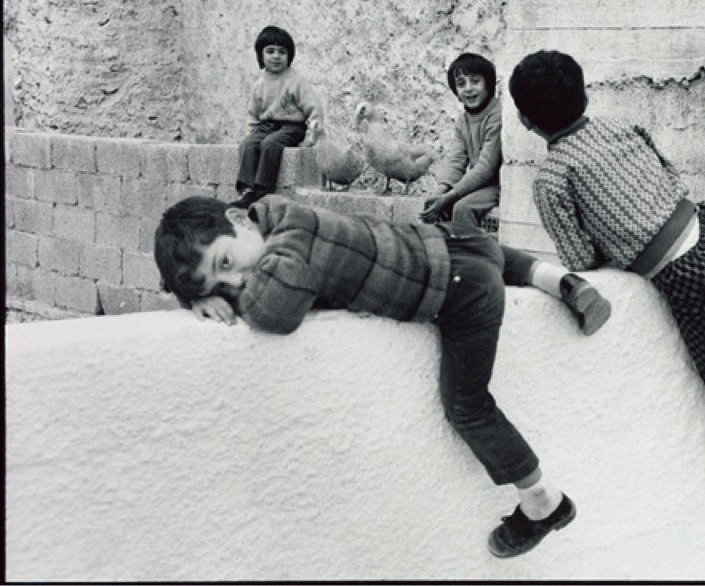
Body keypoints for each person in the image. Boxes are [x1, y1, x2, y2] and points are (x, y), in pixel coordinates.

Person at [154, 193, 613, 557]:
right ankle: (562, 281)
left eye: (226, 264)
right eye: (222, 286)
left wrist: (222, 302)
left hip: (461, 292)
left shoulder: (291, 244)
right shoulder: (279, 212)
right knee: (490, 253)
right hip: (451, 242)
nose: (236, 283)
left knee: (467, 406)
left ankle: (543, 503)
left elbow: (274, 314)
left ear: (239, 219)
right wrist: (192, 294)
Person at [508, 49, 705, 515]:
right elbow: (671, 177)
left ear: (526, 120)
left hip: (687, 274)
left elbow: (579, 258)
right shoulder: (621, 127)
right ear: (585, 94)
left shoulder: (553, 177)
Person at [231, 26, 324, 209]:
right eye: (270, 51)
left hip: (292, 127)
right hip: (266, 126)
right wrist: (253, 133)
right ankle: (247, 190)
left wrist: (311, 136)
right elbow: (253, 113)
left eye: (282, 52)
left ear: (289, 56)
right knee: (248, 144)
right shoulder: (259, 85)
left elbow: (313, 108)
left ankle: (263, 190)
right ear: (261, 56)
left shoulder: (296, 81)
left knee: (270, 144)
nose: (276, 56)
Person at [420, 53, 502, 227]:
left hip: (499, 185)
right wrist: (441, 191)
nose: (468, 88)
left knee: (462, 207)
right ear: (456, 93)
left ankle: (471, 253)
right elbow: (456, 162)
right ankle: (448, 251)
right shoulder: (462, 122)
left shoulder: (497, 115)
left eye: (475, 81)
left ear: (488, 84)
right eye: (461, 84)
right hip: (479, 186)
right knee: (438, 205)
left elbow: (486, 167)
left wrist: (451, 196)